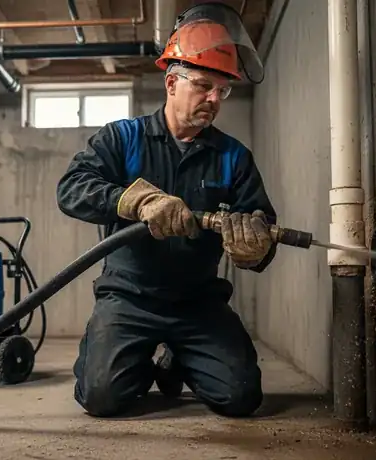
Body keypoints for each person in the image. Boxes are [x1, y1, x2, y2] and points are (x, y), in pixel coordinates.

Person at [55, 2, 277, 418]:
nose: (214, 98)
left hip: (198, 301)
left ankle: (179, 356)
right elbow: (71, 190)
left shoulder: (233, 157)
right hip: (129, 298)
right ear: (171, 83)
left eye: (223, 89)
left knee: (241, 397)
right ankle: (137, 361)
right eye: (203, 85)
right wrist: (133, 200)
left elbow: (261, 221)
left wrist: (256, 248)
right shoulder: (122, 139)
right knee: (102, 398)